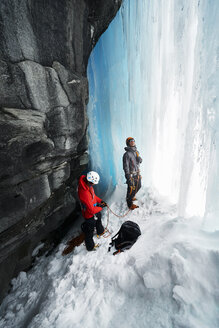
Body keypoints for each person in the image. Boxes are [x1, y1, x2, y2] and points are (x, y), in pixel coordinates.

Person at [78, 171, 107, 251]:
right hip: (89, 214)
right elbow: (91, 210)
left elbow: (93, 197)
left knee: (99, 216)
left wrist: (100, 201)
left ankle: (100, 231)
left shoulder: (88, 186)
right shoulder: (84, 193)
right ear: (90, 182)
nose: (94, 184)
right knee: (89, 231)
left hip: (93, 209)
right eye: (94, 183)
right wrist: (101, 207)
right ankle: (90, 246)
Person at [123, 137, 142, 210]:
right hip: (131, 175)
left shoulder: (136, 152)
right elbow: (126, 166)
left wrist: (140, 159)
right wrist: (128, 176)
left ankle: (132, 197)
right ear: (128, 143)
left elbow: (138, 162)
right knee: (130, 189)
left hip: (137, 173)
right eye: (131, 141)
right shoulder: (127, 154)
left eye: (133, 140)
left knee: (138, 186)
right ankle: (130, 204)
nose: (133, 142)